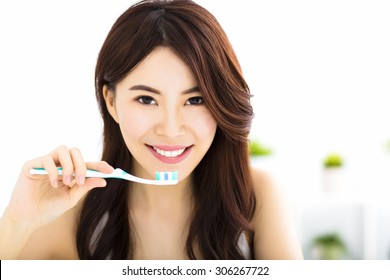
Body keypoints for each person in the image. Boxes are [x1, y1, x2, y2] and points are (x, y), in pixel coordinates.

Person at [0, 0, 303, 260]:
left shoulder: (258, 196)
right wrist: (17, 221)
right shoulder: (70, 209)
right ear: (112, 102)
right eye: (146, 99)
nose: (170, 129)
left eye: (195, 100)